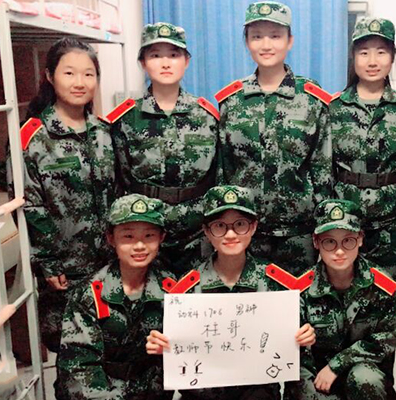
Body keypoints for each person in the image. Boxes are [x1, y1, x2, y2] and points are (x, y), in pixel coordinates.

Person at [146, 185, 316, 400]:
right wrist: (161, 345)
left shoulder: (277, 284)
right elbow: (171, 350)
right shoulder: (185, 291)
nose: (230, 234)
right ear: (206, 231)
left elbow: (296, 351)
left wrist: (304, 337)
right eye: (219, 226)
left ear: (253, 227)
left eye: (240, 224)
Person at [215, 1, 333, 275]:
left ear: (290, 41)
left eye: (275, 36)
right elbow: (224, 170)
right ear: (246, 41)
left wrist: (323, 225)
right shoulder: (232, 101)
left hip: (298, 233)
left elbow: (323, 169)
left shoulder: (311, 99)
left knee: (298, 298)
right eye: (257, 36)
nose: (266, 44)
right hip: (244, 231)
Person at [17, 37, 117, 352]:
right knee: (69, 349)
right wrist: (48, 263)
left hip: (109, 264)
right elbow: (31, 205)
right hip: (63, 271)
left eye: (88, 74)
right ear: (50, 76)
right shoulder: (32, 137)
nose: (80, 82)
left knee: (112, 343)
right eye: (69, 73)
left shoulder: (105, 132)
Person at [108, 22, 219, 273]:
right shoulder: (127, 118)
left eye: (174, 54)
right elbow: (119, 180)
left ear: (186, 61)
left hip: (197, 230)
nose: (165, 63)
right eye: (155, 55)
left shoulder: (207, 116)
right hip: (145, 230)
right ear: (142, 62)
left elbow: (217, 175)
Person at [331, 17, 396, 286]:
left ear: (393, 56)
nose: (372, 61)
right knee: (342, 292)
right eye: (364, 53)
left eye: (381, 52)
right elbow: (322, 169)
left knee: (386, 294)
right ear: (353, 56)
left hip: (391, 224)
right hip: (342, 223)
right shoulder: (332, 109)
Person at [55, 194, 175, 399]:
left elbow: (191, 350)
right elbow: (79, 368)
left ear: (161, 238)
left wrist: (173, 348)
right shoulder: (90, 295)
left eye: (149, 235)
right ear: (111, 238)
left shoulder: (173, 290)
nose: (139, 245)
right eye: (128, 236)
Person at [285, 199, 396, 400]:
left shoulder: (381, 287)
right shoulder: (301, 291)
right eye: (329, 241)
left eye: (348, 240)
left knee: (364, 377)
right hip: (320, 383)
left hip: (364, 382)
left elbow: (385, 340)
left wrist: (337, 365)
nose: (339, 251)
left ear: (360, 239)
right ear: (316, 242)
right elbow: (296, 357)